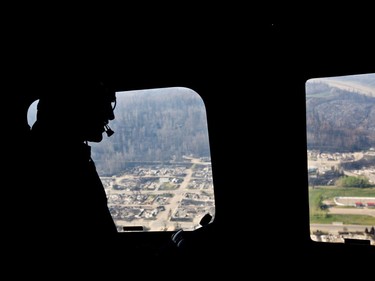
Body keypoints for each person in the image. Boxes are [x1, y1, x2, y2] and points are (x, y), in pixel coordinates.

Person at [23, 75, 119, 261]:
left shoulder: (68, 158)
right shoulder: (58, 168)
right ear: (75, 109)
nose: (110, 115)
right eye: (103, 104)